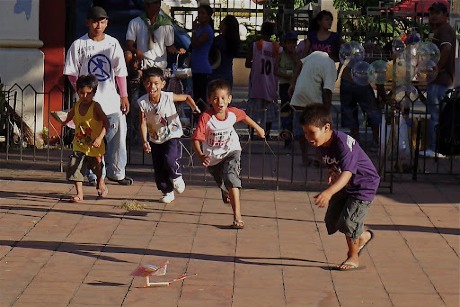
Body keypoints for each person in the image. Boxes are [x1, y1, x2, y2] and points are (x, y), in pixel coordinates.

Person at [300, 103, 379, 271]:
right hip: (344, 185)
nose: (308, 137)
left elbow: (348, 172)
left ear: (326, 127)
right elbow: (333, 164)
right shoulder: (321, 144)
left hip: (362, 185)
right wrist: (332, 171)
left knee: (348, 222)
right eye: (305, 133)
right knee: (333, 221)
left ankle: (353, 257)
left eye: (311, 132)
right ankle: (362, 237)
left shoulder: (342, 144)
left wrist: (328, 193)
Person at [64, 6, 133, 185]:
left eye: (102, 22)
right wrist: (81, 92)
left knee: (118, 136)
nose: (98, 25)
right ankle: (91, 174)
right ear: (88, 22)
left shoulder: (112, 44)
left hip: (110, 99)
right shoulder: (79, 45)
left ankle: (116, 172)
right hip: (89, 102)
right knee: (88, 139)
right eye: (95, 21)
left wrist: (123, 95)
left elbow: (120, 71)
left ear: (107, 23)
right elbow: (72, 72)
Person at [192, 79, 265, 229]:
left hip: (231, 150)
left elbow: (244, 117)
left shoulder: (232, 113)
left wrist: (258, 128)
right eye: (216, 98)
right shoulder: (207, 118)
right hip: (213, 159)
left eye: (223, 98)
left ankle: (237, 217)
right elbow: (195, 139)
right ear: (209, 100)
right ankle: (226, 191)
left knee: (231, 177)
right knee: (225, 185)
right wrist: (200, 155)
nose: (220, 102)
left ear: (229, 99)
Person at [125, 0, 186, 144]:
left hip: (158, 69)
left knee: (158, 105)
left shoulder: (166, 24)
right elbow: (129, 43)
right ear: (147, 5)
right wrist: (136, 51)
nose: (158, 7)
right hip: (142, 68)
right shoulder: (136, 22)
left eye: (159, 3)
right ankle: (136, 135)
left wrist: (177, 50)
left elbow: (169, 46)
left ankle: (158, 134)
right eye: (154, 4)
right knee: (138, 104)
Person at [139, 67, 201, 204]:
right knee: (159, 167)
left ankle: (176, 176)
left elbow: (186, 97)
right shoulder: (143, 102)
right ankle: (167, 191)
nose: (152, 86)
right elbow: (143, 123)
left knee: (170, 159)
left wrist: (194, 107)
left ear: (162, 84)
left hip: (171, 135)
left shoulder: (167, 96)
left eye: (156, 83)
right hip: (155, 138)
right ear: (144, 84)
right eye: (149, 83)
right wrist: (145, 141)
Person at [62, 74, 110, 203]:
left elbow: (106, 123)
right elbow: (68, 117)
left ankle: (100, 182)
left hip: (95, 144)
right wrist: (61, 120)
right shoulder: (76, 106)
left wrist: (100, 138)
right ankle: (79, 194)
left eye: (88, 93)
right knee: (75, 166)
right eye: (81, 93)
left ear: (93, 93)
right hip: (79, 144)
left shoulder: (96, 107)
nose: (84, 96)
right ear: (77, 92)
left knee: (97, 165)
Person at [420, 1, 455, 158]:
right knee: (439, 115)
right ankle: (439, 148)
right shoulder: (439, 30)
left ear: (445, 15)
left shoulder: (445, 30)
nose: (433, 16)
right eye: (431, 13)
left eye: (436, 13)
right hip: (439, 80)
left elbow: (446, 49)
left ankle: (435, 149)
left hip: (441, 81)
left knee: (435, 115)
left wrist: (436, 69)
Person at [288, 51, 337, 164]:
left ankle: (305, 158)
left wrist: (292, 83)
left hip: (299, 94)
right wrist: (326, 110)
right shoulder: (330, 64)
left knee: (301, 128)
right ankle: (318, 156)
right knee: (319, 128)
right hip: (314, 99)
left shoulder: (315, 54)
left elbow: (299, 64)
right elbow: (327, 90)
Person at [339, 43, 382, 151]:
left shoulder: (355, 56)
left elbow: (342, 65)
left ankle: (355, 142)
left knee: (351, 112)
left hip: (346, 82)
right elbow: (379, 82)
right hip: (359, 85)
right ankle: (376, 141)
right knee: (372, 111)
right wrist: (383, 98)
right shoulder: (373, 60)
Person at [245, 21, 281, 138]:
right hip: (271, 84)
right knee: (269, 112)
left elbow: (247, 63)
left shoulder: (256, 45)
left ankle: (251, 133)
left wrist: (256, 64)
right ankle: (267, 134)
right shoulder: (277, 48)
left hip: (256, 84)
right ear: (273, 32)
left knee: (253, 112)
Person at [275, 31, 300, 147]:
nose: (291, 45)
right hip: (285, 85)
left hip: (295, 85)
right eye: (289, 43)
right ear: (285, 44)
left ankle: (296, 134)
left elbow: (300, 67)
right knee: (286, 110)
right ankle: (286, 134)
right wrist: (285, 74)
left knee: (296, 110)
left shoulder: (297, 55)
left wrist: (295, 58)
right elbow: (275, 70)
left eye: (293, 43)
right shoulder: (281, 55)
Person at [190, 4, 214, 114]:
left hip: (202, 69)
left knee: (201, 98)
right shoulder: (200, 28)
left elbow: (196, 44)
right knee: (196, 97)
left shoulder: (207, 31)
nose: (200, 15)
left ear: (208, 16)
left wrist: (193, 31)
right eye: (199, 12)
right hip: (195, 67)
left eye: (203, 13)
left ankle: (202, 120)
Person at [209, 15, 241, 89]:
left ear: (226, 26)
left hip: (215, 74)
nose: (220, 25)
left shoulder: (218, 41)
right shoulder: (234, 42)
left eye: (222, 23)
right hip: (227, 74)